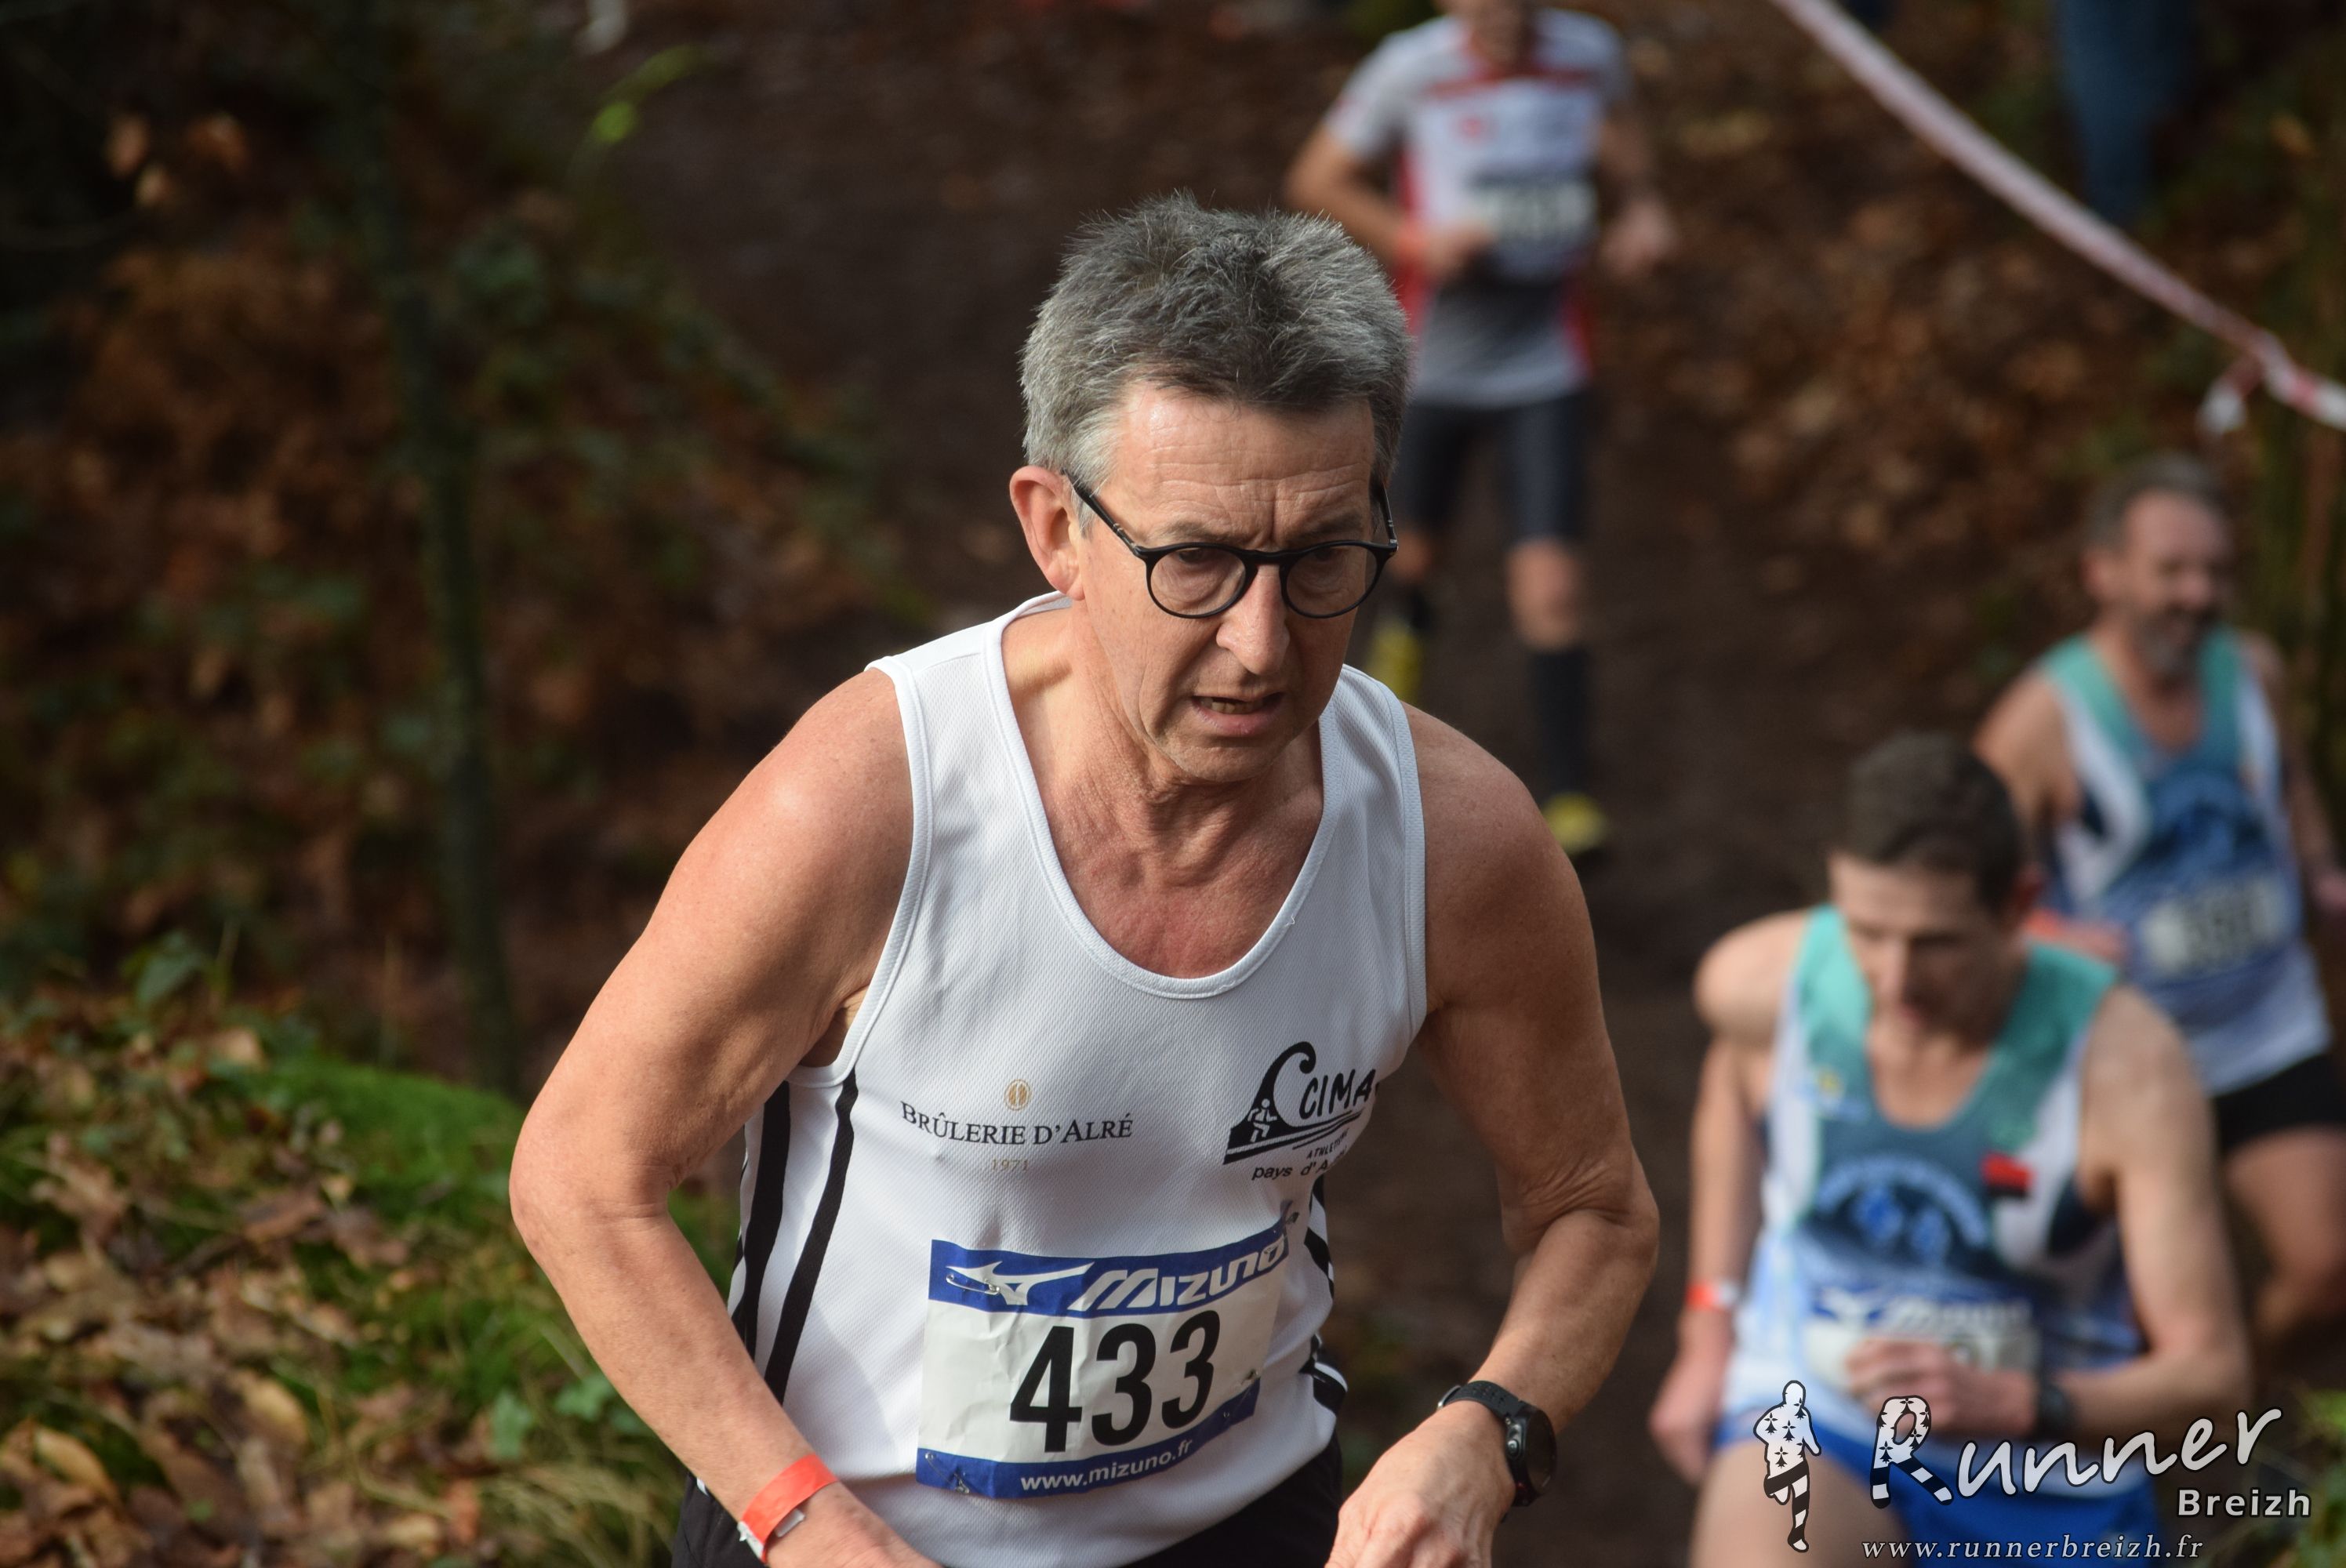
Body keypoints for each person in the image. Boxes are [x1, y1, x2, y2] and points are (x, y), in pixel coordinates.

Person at [510, 195, 1657, 1568]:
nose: (1260, 644)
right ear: (1056, 530)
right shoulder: (875, 801)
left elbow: (1594, 1207)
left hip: (1245, 1521)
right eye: (1196, 562)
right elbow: (584, 1175)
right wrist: (798, 1517)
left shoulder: (1453, 839)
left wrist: (1490, 1428)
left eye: (1320, 560)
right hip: (854, 1531)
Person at [1646, 734, 2249, 1564]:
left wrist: (2021, 1402)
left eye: (1935, 942)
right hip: (1823, 1415)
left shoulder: (2126, 1069)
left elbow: (2213, 1375)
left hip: (2045, 1469)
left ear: (2018, 906)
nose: (1895, 979)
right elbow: (1729, 1091)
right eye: (1865, 930)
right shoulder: (1763, 987)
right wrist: (1708, 1327)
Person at [1975, 452, 2346, 1360]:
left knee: (2327, 1270)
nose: (2198, 594)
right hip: (2131, 1051)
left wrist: (2322, 871)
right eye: (2171, 570)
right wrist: (2050, 936)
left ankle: (2246, 1384)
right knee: (2143, 1322)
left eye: (2215, 571)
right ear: (2102, 572)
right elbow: (1965, 890)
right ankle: (2177, 1410)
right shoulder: (2042, 719)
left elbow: (2292, 784)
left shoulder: (2251, 670)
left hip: (2267, 1026)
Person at [1285, 0, 1676, 855]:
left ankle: (1570, 795)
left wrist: (1641, 204)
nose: (1506, 15)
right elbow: (1316, 177)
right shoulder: (1411, 66)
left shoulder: (1587, 53)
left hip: (1547, 364)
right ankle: (1400, 657)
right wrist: (1414, 238)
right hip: (1436, 363)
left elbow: (1621, 126)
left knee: (1551, 583)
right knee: (1413, 554)